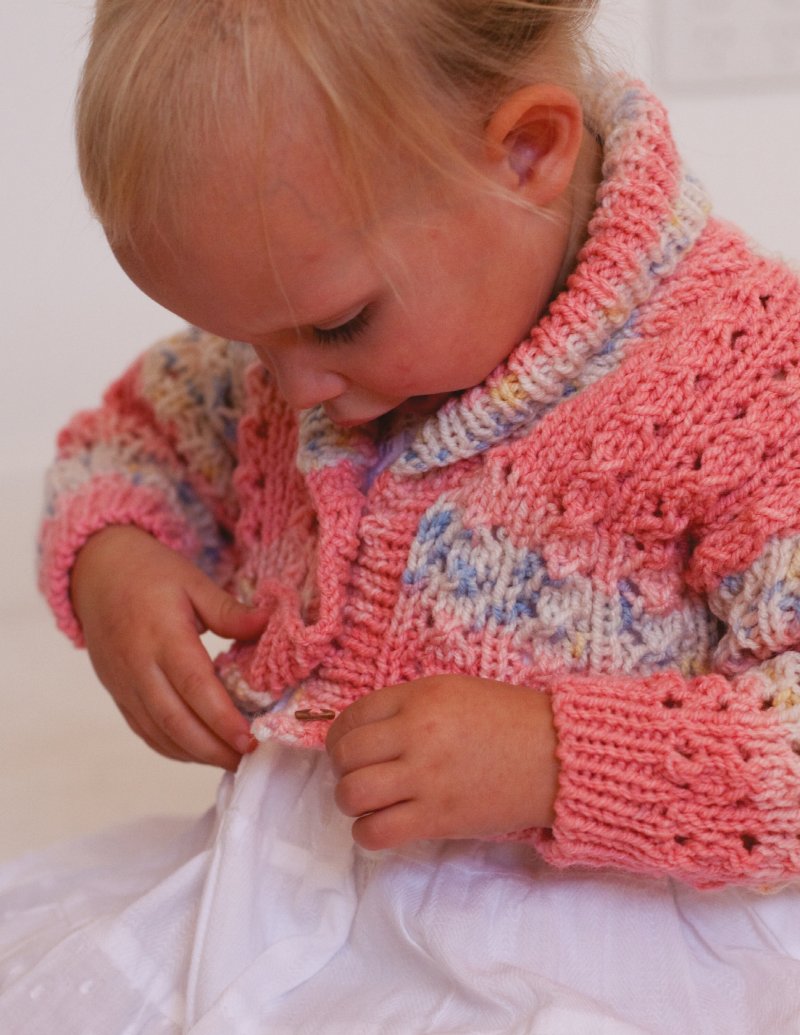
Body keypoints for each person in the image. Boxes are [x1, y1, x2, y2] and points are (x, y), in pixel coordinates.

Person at [3, 0, 800, 1031]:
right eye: (245, 339)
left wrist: (554, 758)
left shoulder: (743, 381)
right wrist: (115, 558)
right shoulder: (293, 346)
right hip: (299, 886)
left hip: (608, 922)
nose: (291, 389)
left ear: (525, 153)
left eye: (339, 323)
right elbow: (132, 442)